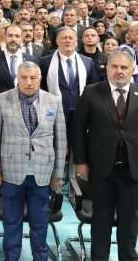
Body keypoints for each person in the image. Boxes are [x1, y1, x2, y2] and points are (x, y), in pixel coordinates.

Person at [0, 62, 67, 261]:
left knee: (40, 223)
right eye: (24, 78)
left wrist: (58, 172)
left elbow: (61, 139)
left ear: (40, 79)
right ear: (18, 78)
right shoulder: (1, 99)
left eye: (33, 78)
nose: (29, 82)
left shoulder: (54, 101)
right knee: (11, 222)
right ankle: (11, 257)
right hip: (10, 171)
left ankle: (40, 257)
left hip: (43, 172)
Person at [73, 50, 138, 261]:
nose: (119, 71)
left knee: (130, 221)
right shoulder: (91, 92)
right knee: (101, 219)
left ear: (132, 70)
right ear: (107, 69)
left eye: (124, 67)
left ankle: (128, 257)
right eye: (114, 67)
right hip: (101, 169)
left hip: (132, 170)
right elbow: (78, 128)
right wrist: (81, 161)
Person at [0, 25, 36, 115]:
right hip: (1, 111)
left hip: (26, 110)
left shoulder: (32, 60)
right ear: (5, 37)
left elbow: (36, 87)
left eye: (17, 36)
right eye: (10, 36)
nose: (13, 39)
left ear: (21, 38)